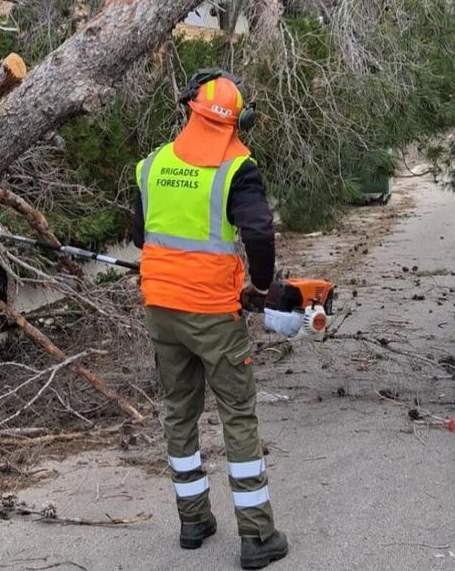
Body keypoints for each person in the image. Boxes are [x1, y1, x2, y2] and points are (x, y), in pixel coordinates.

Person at [132, 70, 288, 569]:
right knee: (237, 414)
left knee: (180, 411)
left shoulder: (152, 165)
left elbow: (141, 236)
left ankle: (193, 520)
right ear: (237, 120)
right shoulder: (237, 166)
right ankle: (257, 536)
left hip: (161, 309)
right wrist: (261, 289)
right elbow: (259, 232)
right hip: (215, 315)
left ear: (188, 110)